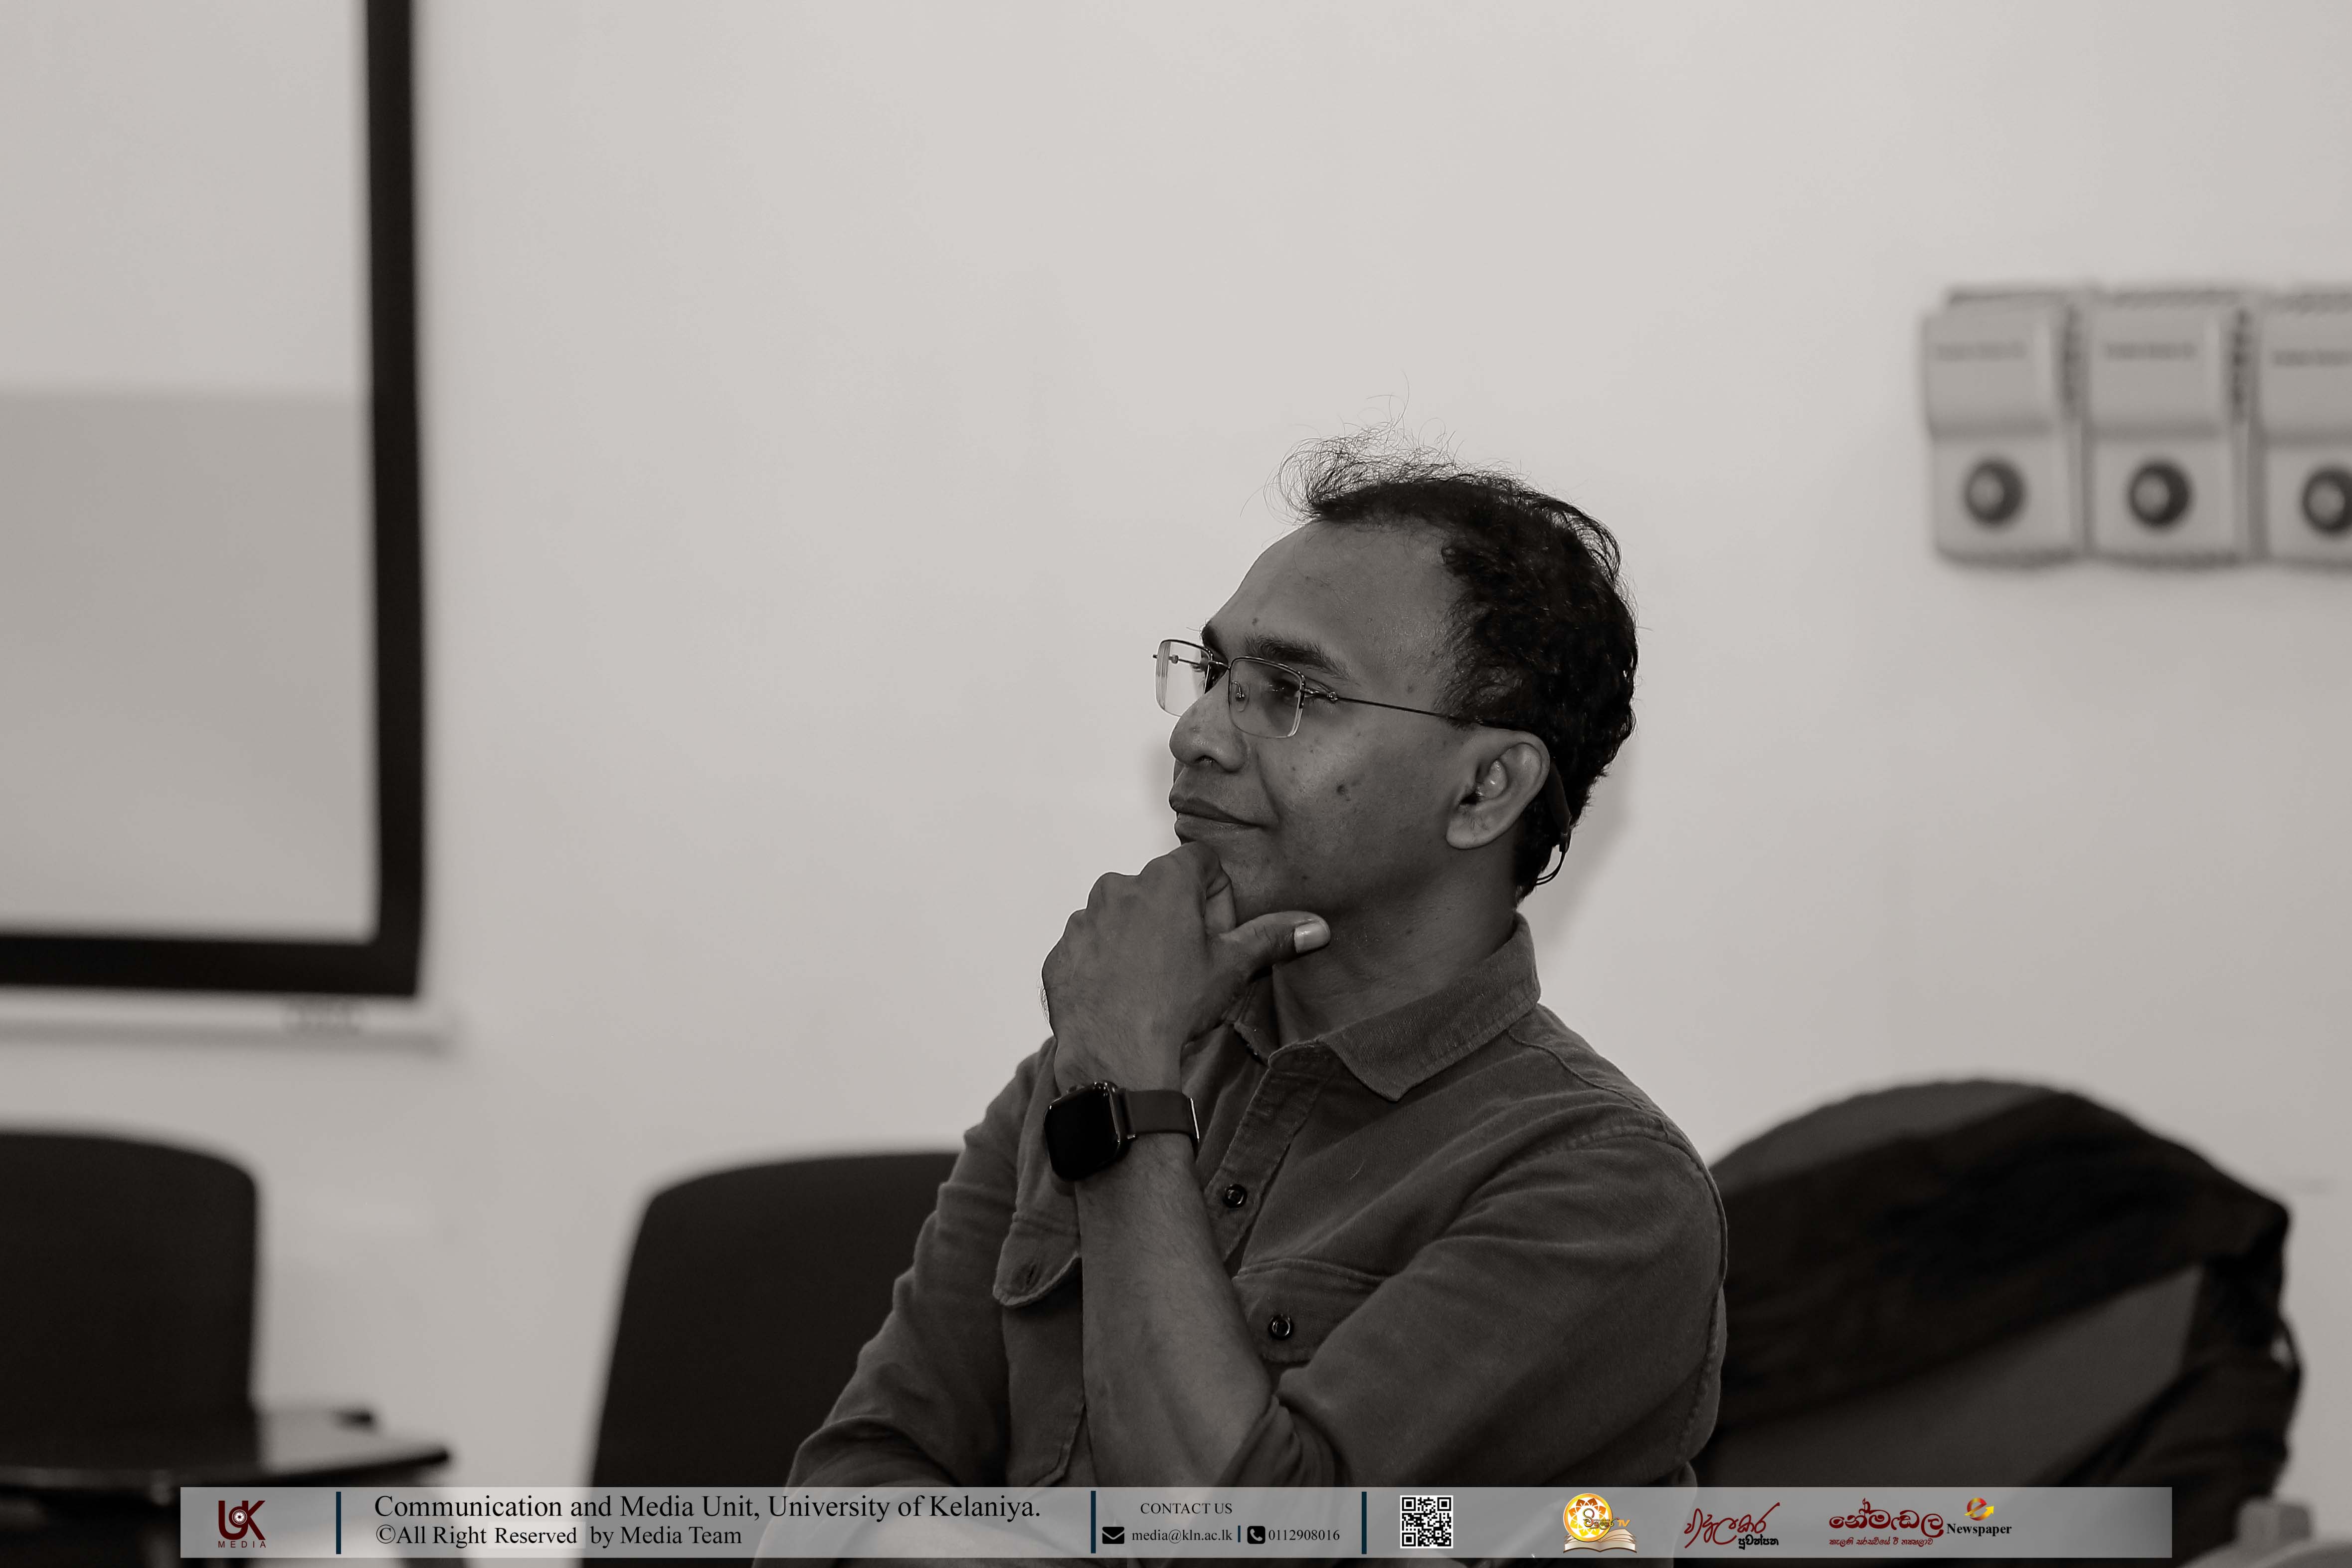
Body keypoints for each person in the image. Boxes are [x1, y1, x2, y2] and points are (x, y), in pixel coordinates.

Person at [791, 435, 1724, 1489]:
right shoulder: (1096, 1064)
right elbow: (848, 1482)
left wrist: (1125, 1104)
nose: (1196, 733)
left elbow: (1240, 1543)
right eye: (1213, 673)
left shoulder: (1605, 1189)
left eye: (1290, 691)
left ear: (1483, 789)